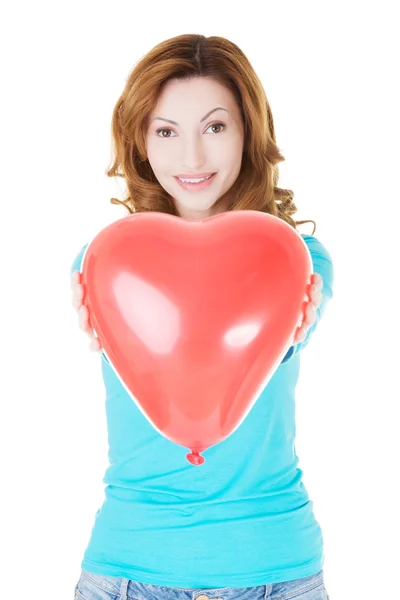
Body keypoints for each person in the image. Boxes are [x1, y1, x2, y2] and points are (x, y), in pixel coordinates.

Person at [70, 34, 333, 600]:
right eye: (166, 131)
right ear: (142, 142)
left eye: (215, 127)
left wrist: (298, 316)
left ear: (248, 133)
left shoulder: (299, 259)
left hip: (275, 570)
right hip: (129, 571)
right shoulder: (106, 260)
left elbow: (290, 333)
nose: (191, 158)